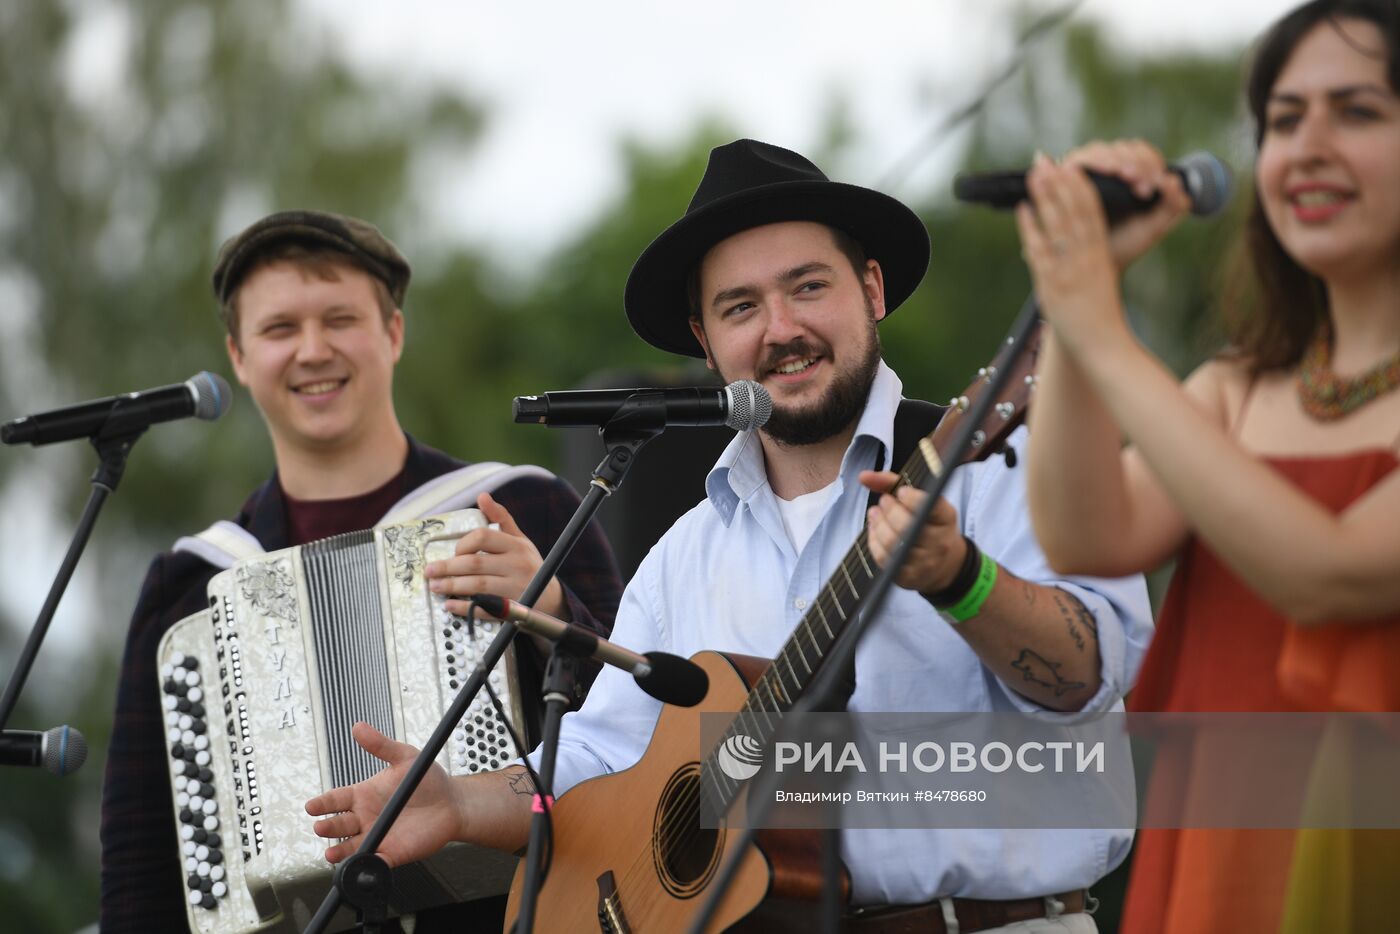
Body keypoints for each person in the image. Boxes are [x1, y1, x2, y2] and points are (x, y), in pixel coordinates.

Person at [306, 140, 1154, 932]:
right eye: (741, 307)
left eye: (808, 287)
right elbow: (597, 763)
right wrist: (456, 805)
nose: (780, 328)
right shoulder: (684, 554)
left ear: (872, 290)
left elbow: (1092, 674)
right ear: (707, 345)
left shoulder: (1010, 470)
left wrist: (961, 579)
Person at [98, 210, 624, 933]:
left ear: (394, 333)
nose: (312, 350)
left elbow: (641, 739)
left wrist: (557, 615)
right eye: (280, 329)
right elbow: (140, 851)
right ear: (240, 357)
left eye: (340, 319)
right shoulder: (189, 581)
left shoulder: (525, 506)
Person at [1016, 2, 1400, 932]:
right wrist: (1080, 313)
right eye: (1283, 118)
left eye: (1356, 112)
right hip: (1219, 864)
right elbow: (1084, 532)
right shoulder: (1235, 390)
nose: (1307, 146)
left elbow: (1328, 574)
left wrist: (1106, 338)